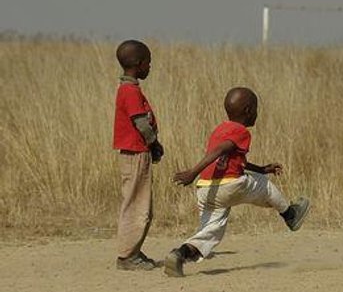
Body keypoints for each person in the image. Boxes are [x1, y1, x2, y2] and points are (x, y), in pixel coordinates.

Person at [164, 87, 310, 277]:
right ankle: (290, 214)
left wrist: (262, 169)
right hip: (229, 185)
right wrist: (193, 171)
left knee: (210, 231)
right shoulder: (241, 131)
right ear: (248, 111)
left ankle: (180, 254)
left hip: (206, 189)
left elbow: (234, 160)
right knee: (264, 185)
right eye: (256, 109)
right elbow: (222, 149)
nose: (257, 113)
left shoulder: (220, 129)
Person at [112, 39, 164, 270]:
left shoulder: (129, 89)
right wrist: (154, 144)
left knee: (140, 204)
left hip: (137, 152)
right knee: (137, 205)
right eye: (148, 63)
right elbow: (141, 124)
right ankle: (126, 256)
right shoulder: (130, 91)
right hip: (136, 153)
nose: (150, 68)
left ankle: (132, 250)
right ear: (139, 63)